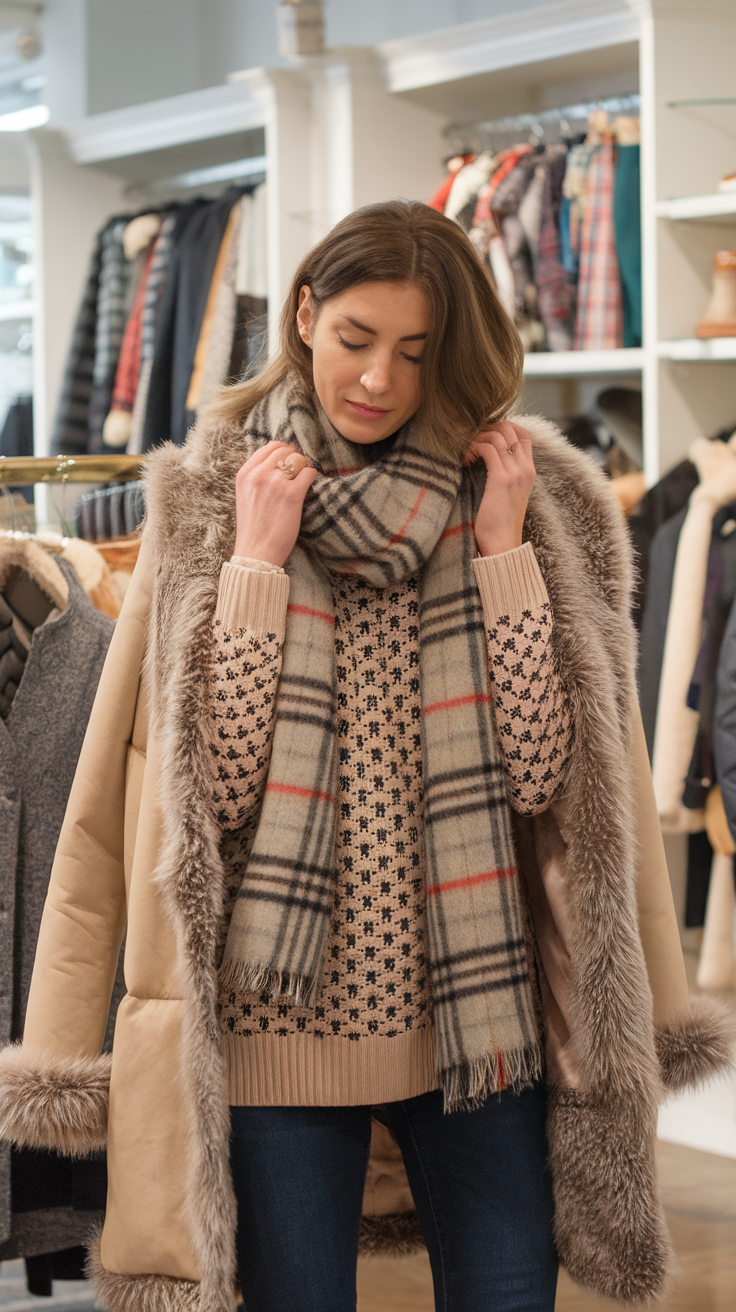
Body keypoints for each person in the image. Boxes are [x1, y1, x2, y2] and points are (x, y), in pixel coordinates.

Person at [0, 201, 730, 1312]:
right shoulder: (211, 505)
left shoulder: (525, 504)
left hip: (477, 1027)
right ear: (303, 315)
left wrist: (500, 557)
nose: (380, 379)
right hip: (274, 1035)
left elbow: (547, 778)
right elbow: (213, 795)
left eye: (415, 351)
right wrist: (254, 564)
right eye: (355, 339)